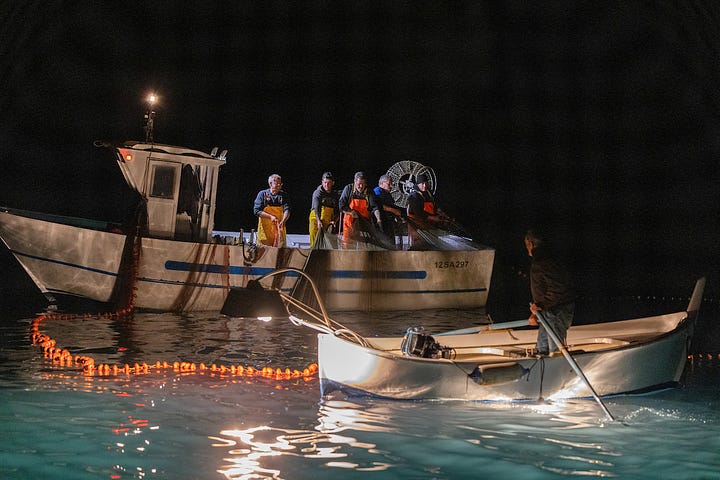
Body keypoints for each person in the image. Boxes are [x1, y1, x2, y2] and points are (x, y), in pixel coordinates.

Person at [525, 229, 576, 355]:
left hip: (555, 311)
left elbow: (558, 288)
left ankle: (560, 371)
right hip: (549, 311)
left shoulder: (543, 261)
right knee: (543, 349)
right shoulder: (546, 258)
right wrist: (537, 311)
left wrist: (540, 306)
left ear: (530, 244)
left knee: (556, 351)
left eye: (526, 244)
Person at [338, 171, 382, 246]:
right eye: (359, 184)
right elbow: (341, 205)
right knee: (348, 242)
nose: (361, 186)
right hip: (350, 221)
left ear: (365, 183)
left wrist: (378, 219)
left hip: (364, 221)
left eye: (363, 184)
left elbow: (374, 207)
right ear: (354, 182)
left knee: (364, 242)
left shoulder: (369, 192)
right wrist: (351, 212)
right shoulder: (348, 189)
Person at [406, 173, 444, 249]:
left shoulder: (429, 194)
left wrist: (441, 213)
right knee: (418, 247)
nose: (424, 186)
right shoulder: (413, 196)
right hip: (416, 226)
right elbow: (418, 213)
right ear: (418, 184)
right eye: (422, 183)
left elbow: (435, 206)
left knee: (431, 247)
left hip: (428, 224)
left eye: (426, 183)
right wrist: (434, 218)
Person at [253, 174, 291, 247]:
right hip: (265, 231)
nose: (279, 186)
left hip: (279, 229)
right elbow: (256, 211)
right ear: (270, 184)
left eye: (280, 184)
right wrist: (270, 217)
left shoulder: (284, 195)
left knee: (280, 252)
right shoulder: (262, 194)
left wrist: (283, 220)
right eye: (277, 184)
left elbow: (287, 209)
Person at [373, 174, 405, 248]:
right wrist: (394, 211)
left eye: (392, 184)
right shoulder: (377, 190)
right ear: (381, 183)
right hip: (381, 224)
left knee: (391, 244)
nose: (391, 186)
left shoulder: (388, 194)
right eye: (389, 184)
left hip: (389, 224)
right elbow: (379, 205)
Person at [308, 171, 339, 247]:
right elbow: (316, 207)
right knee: (315, 241)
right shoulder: (318, 193)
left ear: (333, 183)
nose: (326, 185)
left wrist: (334, 220)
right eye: (325, 182)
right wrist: (318, 221)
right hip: (316, 219)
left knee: (327, 244)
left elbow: (338, 210)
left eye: (329, 183)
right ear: (322, 182)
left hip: (327, 222)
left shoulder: (335, 195)